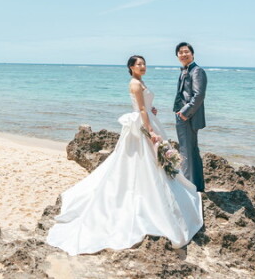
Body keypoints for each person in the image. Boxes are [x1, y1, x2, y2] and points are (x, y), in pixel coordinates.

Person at [46, 55, 203, 256]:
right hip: (142, 126)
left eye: (144, 63)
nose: (143, 66)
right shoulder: (135, 83)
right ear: (131, 67)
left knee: (150, 163)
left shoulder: (141, 82)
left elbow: (145, 106)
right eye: (139, 64)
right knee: (139, 162)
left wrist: (150, 113)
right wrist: (151, 131)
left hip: (147, 121)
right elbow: (141, 109)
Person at [172, 42, 207, 192]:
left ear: (192, 54)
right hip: (183, 115)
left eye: (186, 52)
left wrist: (184, 113)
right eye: (180, 52)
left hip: (188, 116)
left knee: (187, 151)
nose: (183, 54)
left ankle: (188, 186)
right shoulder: (185, 71)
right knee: (190, 150)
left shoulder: (197, 71)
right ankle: (196, 186)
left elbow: (199, 95)